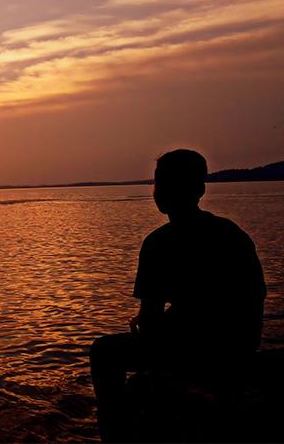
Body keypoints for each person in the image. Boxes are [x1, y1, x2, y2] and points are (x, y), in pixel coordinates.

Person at [89, 149, 266, 442]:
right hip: (238, 345)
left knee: (103, 352)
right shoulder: (231, 233)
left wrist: (151, 328)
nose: (159, 190)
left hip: (195, 350)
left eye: (164, 183)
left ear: (197, 189)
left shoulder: (159, 243)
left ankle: (114, 432)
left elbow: (151, 318)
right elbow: (254, 298)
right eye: (158, 182)